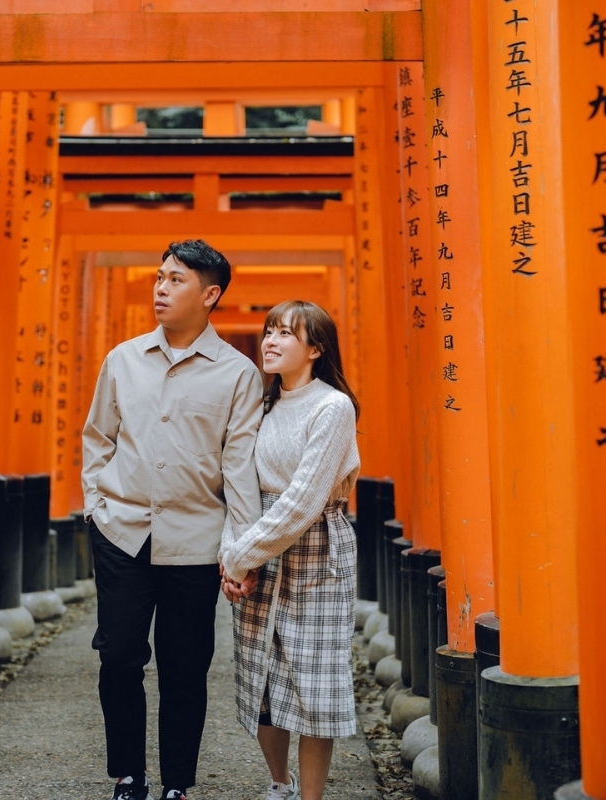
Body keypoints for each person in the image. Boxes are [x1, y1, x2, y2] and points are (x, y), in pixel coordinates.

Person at [82, 239, 264, 800]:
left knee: (185, 667)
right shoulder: (123, 360)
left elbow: (240, 470)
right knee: (118, 656)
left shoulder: (237, 375)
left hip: (195, 540)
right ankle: (128, 775)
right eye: (159, 277)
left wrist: (243, 550)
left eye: (176, 280)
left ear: (210, 295)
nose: (161, 288)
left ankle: (177, 784)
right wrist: (97, 505)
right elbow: (97, 438)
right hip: (123, 532)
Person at [219, 300, 361, 800]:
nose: (271, 341)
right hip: (258, 542)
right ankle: (278, 783)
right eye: (269, 331)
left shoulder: (332, 407)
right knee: (262, 673)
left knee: (314, 679)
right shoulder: (261, 404)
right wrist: (232, 553)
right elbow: (236, 487)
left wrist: (241, 557)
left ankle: (311, 797)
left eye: (286, 334)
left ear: (316, 349)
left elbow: (303, 501)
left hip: (314, 549)